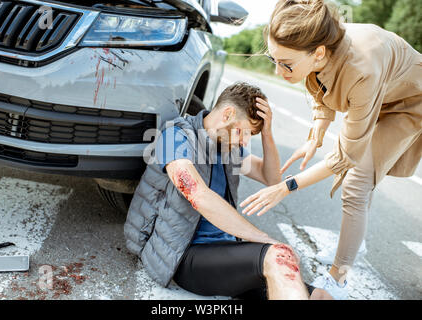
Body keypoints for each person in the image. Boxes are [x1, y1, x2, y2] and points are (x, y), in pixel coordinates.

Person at [239, 0, 421, 300]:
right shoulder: (314, 48)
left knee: (357, 180)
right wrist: (316, 134)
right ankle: (355, 244)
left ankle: (338, 277)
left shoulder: (361, 70)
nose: (278, 71)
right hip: (378, 94)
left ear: (319, 53)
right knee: (361, 176)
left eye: (286, 64)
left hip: (407, 102)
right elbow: (320, 87)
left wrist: (285, 187)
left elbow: (344, 157)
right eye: (274, 60)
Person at [124, 82, 332, 300]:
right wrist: (263, 239)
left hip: (226, 252)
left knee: (320, 296)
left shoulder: (228, 147)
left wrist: (267, 134)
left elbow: (271, 178)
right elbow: (199, 196)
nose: (244, 141)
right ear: (227, 114)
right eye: (244, 132)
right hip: (184, 255)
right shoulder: (176, 137)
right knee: (278, 256)